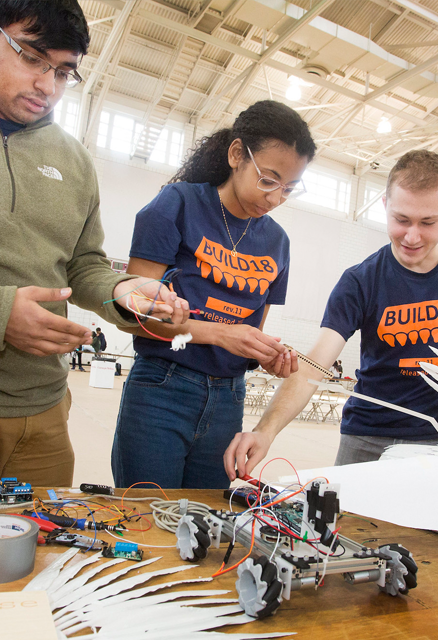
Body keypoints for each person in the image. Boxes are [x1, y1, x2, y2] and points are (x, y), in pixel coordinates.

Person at [0, 0, 188, 488]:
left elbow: (82, 265)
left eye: (64, 72)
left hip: (44, 410)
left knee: (40, 556)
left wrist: (122, 291)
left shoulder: (72, 160)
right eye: (32, 58)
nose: (47, 87)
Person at [225, 150, 438, 480]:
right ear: (385, 206)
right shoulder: (360, 280)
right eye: (401, 220)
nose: (412, 236)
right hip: (367, 439)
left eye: (428, 222)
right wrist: (265, 431)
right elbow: (315, 365)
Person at [111, 100, 316, 490]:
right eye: (269, 180)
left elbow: (251, 335)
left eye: (289, 188)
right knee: (149, 517)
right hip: (162, 388)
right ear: (237, 154)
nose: (275, 198)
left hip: (228, 400)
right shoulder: (177, 205)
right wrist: (221, 334)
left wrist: (267, 355)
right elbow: (136, 317)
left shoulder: (277, 243)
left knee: (205, 526)